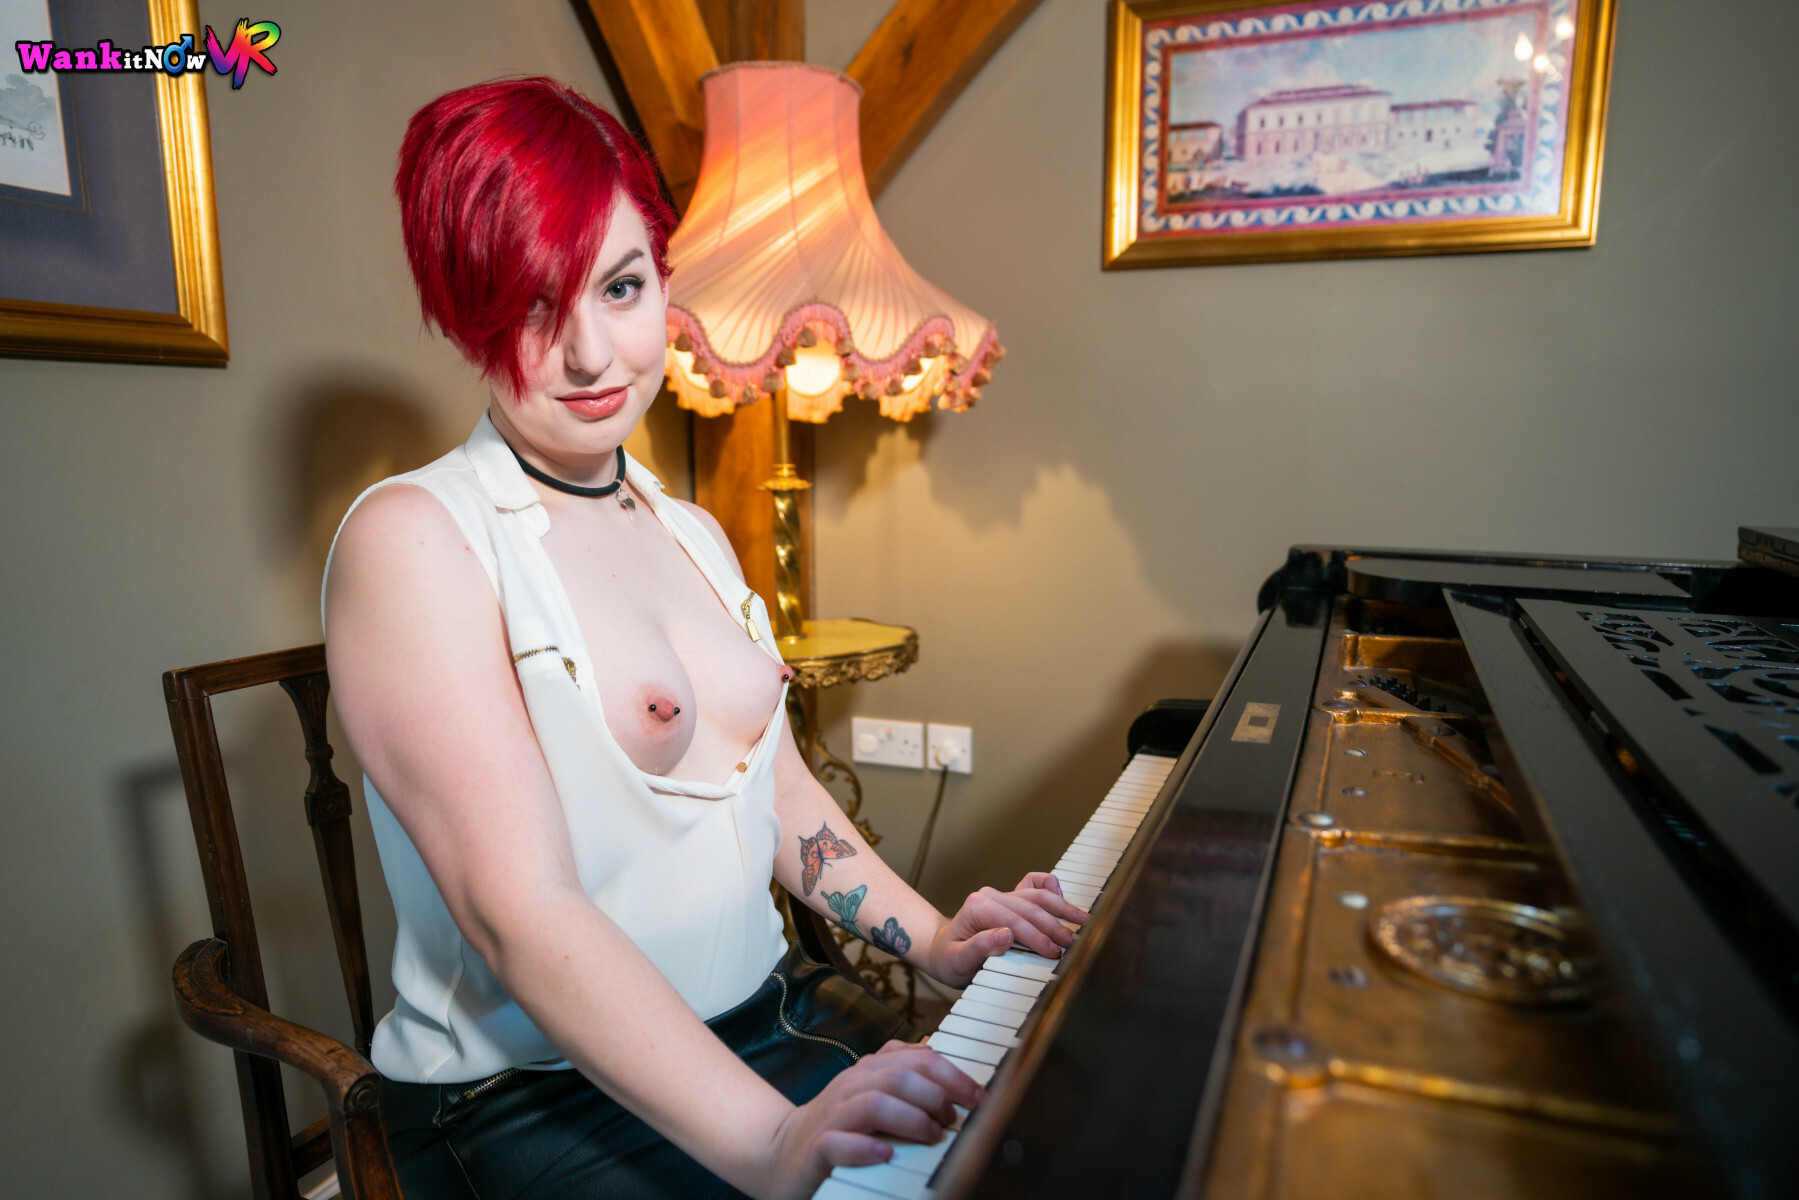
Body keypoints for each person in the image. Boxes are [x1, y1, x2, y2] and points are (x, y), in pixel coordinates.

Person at [322, 77, 1084, 1200]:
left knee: (1028, 1140)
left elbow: (777, 794)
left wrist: (934, 941)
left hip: (766, 1015)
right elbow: (516, 913)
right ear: (465, 311)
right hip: (530, 1099)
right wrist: (771, 1142)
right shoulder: (412, 539)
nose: (592, 354)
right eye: (533, 306)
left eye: (621, 286)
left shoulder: (691, 532)